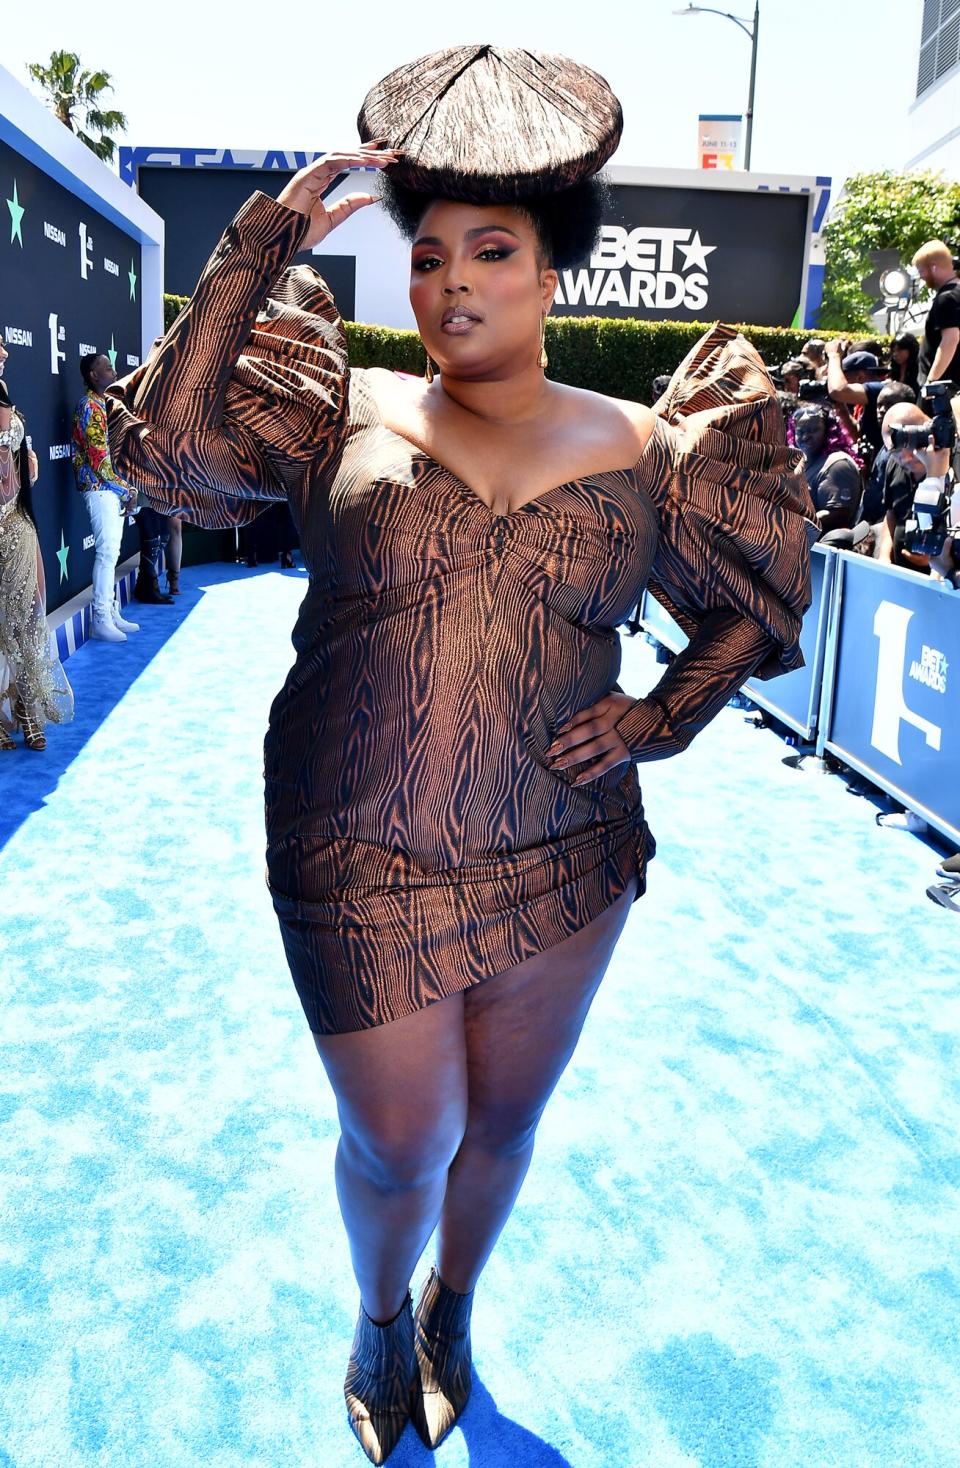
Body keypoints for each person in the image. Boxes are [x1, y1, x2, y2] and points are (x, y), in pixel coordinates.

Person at [104, 45, 815, 1464]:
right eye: (426, 258)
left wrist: (658, 717)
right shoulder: (339, 413)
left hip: (565, 845)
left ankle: (452, 1306)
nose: (451, 285)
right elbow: (161, 456)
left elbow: (757, 612)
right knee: (399, 1141)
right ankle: (376, 1311)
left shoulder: (651, 449)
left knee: (499, 1126)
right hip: (351, 841)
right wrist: (257, 250)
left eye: (492, 252)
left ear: (555, 276)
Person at [0, 342, 74, 750]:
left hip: (15, 521)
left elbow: (17, 464)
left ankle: (28, 710)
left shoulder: (4, 389)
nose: (4, 352)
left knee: (28, 620)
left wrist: (26, 461)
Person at [72, 353, 141, 642]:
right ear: (92, 375)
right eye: (107, 368)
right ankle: (100, 617)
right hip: (99, 489)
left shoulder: (104, 405)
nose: (114, 372)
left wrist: (124, 489)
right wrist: (127, 490)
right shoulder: (89, 406)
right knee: (106, 552)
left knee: (111, 553)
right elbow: (100, 460)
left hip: (109, 489)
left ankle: (110, 610)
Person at [791, 404, 861, 536]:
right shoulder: (800, 461)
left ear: (828, 430)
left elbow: (839, 513)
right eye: (800, 432)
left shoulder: (837, 464)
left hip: (825, 547)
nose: (805, 437)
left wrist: (794, 524)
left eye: (813, 430)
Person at [825, 341, 890, 462]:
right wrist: (840, 406)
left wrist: (834, 356)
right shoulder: (866, 400)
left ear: (860, 377)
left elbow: (838, 390)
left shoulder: (879, 389)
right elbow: (857, 435)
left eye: (844, 378)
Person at [912, 239, 960, 386]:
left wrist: (931, 381)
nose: (921, 276)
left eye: (921, 270)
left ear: (934, 268)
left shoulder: (946, 298)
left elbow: (950, 340)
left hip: (945, 391)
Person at [888, 330, 921, 395]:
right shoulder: (895, 369)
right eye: (893, 351)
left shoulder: (920, 369)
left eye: (899, 350)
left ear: (910, 350)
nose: (895, 354)